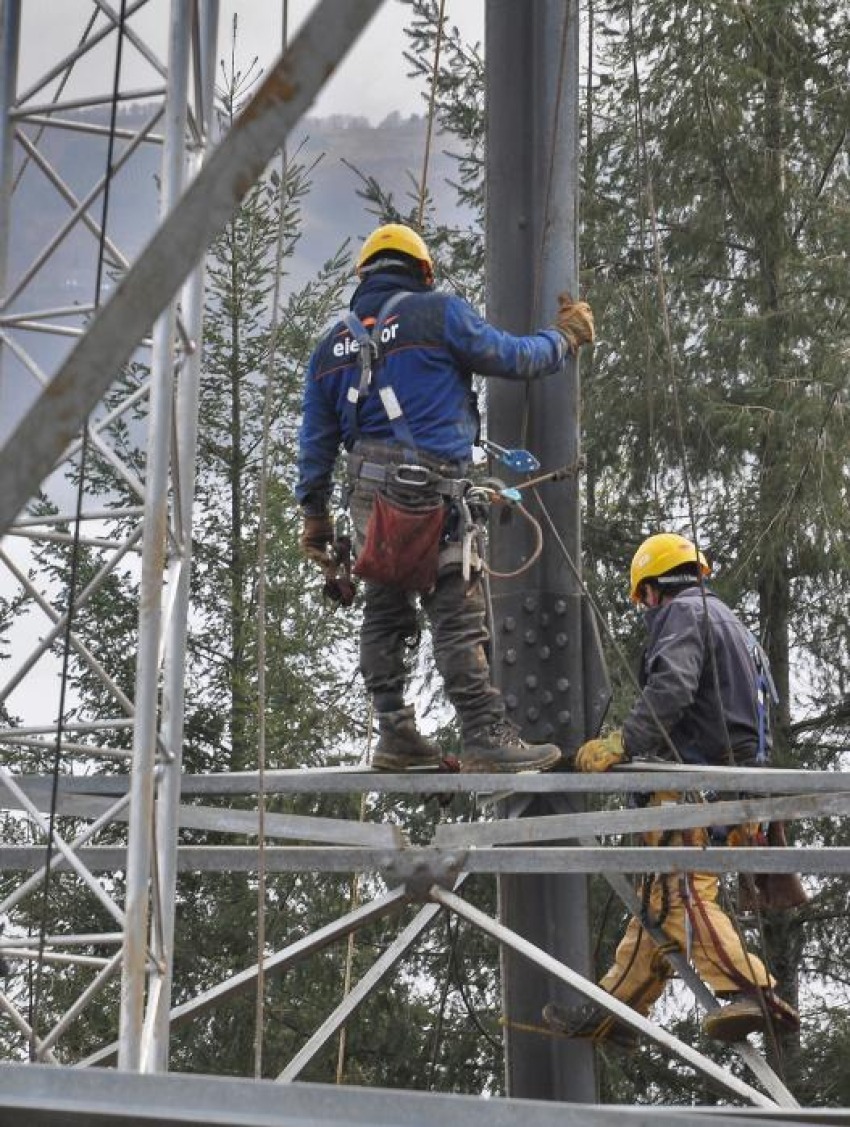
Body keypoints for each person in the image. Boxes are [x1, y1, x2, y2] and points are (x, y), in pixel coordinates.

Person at [295, 223, 595, 773]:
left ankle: (394, 733)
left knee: (385, 612)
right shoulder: (439, 313)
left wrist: (314, 519)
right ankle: (484, 733)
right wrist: (564, 339)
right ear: (423, 272)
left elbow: (315, 446)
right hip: (431, 492)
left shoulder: (329, 348)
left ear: (363, 275)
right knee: (456, 612)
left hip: (370, 503)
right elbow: (512, 358)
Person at [543, 532, 800, 1046]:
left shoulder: (685, 613)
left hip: (698, 787)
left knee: (682, 892)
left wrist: (623, 742)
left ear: (653, 588)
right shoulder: (733, 625)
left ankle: (753, 991)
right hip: (735, 788)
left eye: (643, 599)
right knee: (662, 901)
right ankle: (619, 1010)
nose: (645, 609)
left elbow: (672, 689)